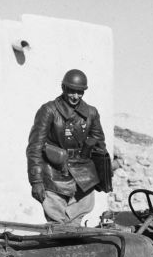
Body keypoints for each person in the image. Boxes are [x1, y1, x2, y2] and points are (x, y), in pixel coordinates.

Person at [26, 69, 107, 225]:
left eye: (80, 92)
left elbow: (100, 146)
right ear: (63, 88)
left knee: (75, 225)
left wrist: (102, 177)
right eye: (72, 91)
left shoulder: (91, 113)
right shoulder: (48, 110)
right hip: (54, 174)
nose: (75, 96)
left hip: (83, 176)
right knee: (56, 224)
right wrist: (36, 181)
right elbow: (34, 148)